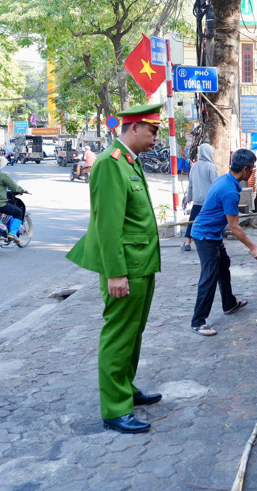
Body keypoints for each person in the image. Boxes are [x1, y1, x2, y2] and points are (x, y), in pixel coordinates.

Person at [66, 103, 165, 434]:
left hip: (142, 264)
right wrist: (116, 274)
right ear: (134, 128)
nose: (156, 138)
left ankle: (125, 388)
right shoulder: (110, 164)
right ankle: (114, 409)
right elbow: (107, 226)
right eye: (152, 131)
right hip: (126, 268)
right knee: (118, 336)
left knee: (133, 334)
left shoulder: (129, 163)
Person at [189, 148, 257, 337]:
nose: (252, 172)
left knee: (224, 265)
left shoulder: (224, 179)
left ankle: (229, 304)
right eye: (252, 169)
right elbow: (235, 227)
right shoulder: (230, 190)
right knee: (209, 276)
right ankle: (198, 321)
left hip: (212, 233)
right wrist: (253, 247)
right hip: (205, 235)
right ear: (245, 169)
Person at [182, 143, 218, 252]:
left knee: (193, 221)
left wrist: (188, 198)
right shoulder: (211, 167)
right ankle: (208, 242)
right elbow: (216, 184)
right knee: (210, 222)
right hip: (209, 201)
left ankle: (188, 243)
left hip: (197, 200)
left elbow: (191, 184)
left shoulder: (195, 166)